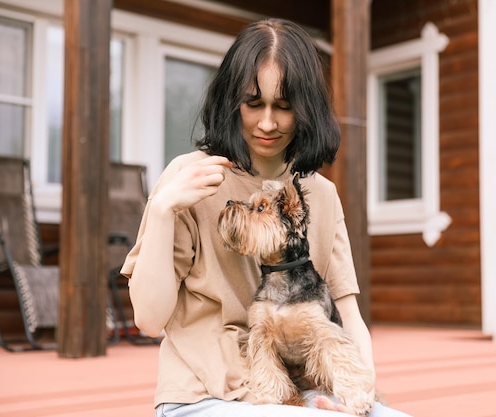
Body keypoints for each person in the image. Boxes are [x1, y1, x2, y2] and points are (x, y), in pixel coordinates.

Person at [121, 18, 412, 417]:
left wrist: (361, 397)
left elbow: (348, 318)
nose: (268, 123)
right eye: (253, 103)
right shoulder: (189, 178)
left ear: (306, 109)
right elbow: (149, 321)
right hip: (204, 395)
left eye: (285, 106)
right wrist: (160, 210)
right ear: (230, 101)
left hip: (301, 394)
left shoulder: (321, 195)